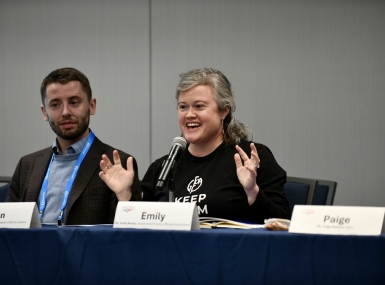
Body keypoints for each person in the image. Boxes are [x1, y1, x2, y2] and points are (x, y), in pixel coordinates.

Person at [100, 68, 290, 224]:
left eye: (199, 106)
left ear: (224, 111)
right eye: (183, 107)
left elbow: (282, 221)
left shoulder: (249, 157)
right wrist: (125, 197)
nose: (189, 114)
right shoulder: (163, 169)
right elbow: (141, 230)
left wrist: (252, 192)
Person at [6, 67, 141, 225]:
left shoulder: (117, 163)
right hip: (33, 249)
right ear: (44, 112)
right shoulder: (27, 165)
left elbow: (127, 238)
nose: (65, 112)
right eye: (55, 104)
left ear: (92, 106)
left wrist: (125, 198)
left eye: (74, 102)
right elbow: (8, 228)